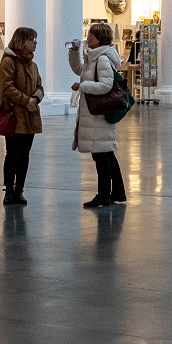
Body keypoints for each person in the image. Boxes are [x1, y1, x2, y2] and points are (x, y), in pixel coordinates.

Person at [69, 22, 126, 208]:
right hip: (93, 113)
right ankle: (116, 191)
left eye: (91, 35)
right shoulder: (93, 57)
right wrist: (74, 51)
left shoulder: (101, 59)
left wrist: (82, 87)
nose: (88, 37)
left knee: (101, 155)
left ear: (99, 37)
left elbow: (105, 85)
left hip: (97, 114)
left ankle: (104, 194)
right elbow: (80, 70)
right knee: (106, 153)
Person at [0, 27, 44, 206]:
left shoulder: (33, 65)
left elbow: (40, 86)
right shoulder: (8, 62)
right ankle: (9, 190)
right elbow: (7, 87)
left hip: (29, 115)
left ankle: (19, 190)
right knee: (12, 153)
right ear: (21, 41)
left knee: (25, 154)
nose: (35, 43)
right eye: (32, 39)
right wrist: (27, 101)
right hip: (14, 115)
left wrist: (36, 98)